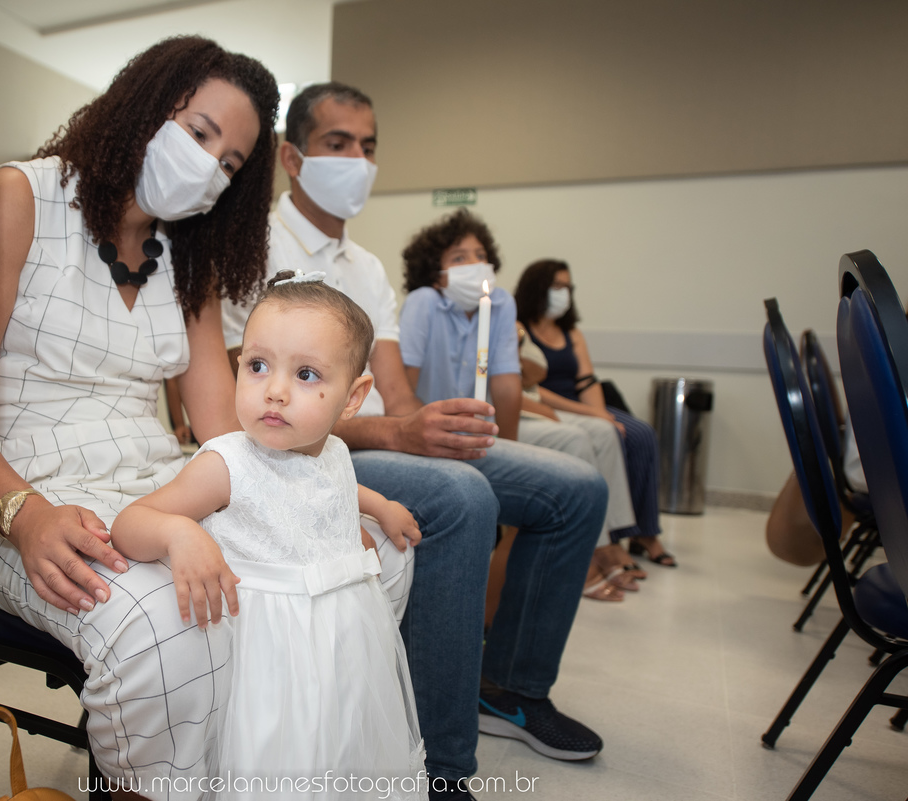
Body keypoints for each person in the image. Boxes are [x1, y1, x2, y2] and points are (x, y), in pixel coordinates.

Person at [220, 83, 608, 799]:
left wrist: (433, 426)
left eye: (369, 147)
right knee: (462, 497)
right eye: (339, 144)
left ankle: (512, 688)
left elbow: (396, 396)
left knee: (576, 487)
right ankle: (442, 766)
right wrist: (399, 431)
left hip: (372, 432)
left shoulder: (366, 270)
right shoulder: (246, 249)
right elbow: (249, 408)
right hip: (302, 450)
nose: (359, 161)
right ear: (292, 157)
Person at [0, 36, 280, 798]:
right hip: (14, 490)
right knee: (169, 624)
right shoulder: (21, 195)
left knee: (295, 575)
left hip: (149, 481)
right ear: (145, 104)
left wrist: (320, 492)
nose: (209, 165)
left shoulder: (188, 257)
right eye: (201, 132)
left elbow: (220, 432)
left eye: (230, 164)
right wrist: (22, 514)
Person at [114, 271, 427, 799]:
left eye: (306, 374)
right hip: (267, 658)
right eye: (258, 366)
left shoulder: (334, 451)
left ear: (353, 398)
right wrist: (176, 534)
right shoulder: (226, 462)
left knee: (340, 752)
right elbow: (129, 524)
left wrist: (380, 504)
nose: (275, 391)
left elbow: (332, 485)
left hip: (341, 646)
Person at [397, 210, 642, 602]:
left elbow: (508, 387)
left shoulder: (499, 303)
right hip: (433, 432)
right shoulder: (424, 302)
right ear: (435, 271)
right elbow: (402, 388)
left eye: (480, 254)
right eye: (459, 257)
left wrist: (503, 451)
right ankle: (579, 568)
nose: (474, 264)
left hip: (485, 426)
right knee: (574, 447)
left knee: (586, 441)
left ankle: (595, 550)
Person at [515, 259, 676, 568]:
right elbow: (530, 387)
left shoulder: (570, 331)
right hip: (551, 403)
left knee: (639, 434)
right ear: (538, 288)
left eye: (568, 287)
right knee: (602, 431)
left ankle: (641, 532)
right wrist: (592, 416)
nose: (564, 293)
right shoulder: (519, 328)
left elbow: (587, 380)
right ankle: (606, 541)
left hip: (581, 402)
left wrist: (601, 414)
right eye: (557, 286)